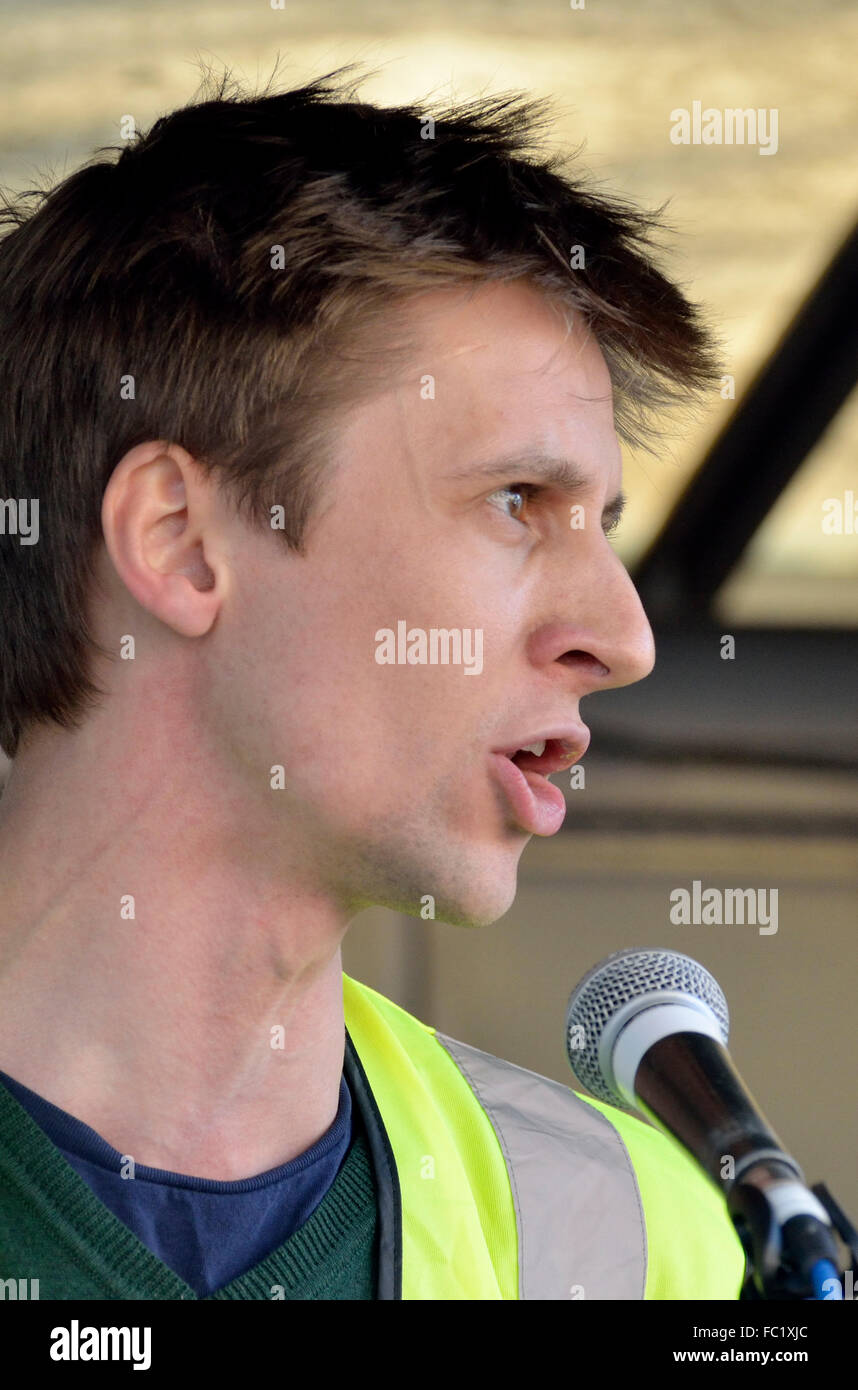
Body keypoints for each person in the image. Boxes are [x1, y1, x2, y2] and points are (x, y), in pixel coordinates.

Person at [0, 65, 745, 1300]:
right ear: (182, 542)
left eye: (602, 521)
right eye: (518, 502)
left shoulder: (651, 1245)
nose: (623, 636)